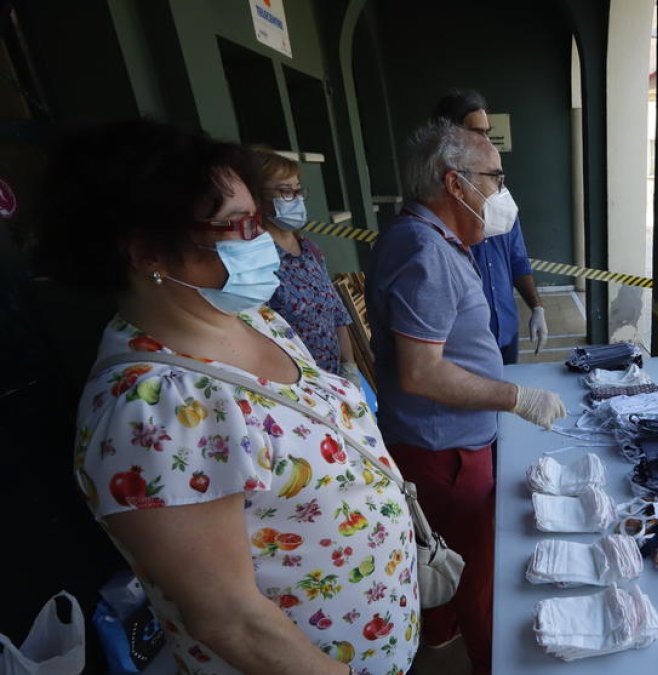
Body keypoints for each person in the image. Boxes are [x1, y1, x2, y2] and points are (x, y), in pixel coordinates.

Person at [38, 119, 418, 674]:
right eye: (233, 225)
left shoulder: (253, 317)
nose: (258, 240)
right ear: (147, 252)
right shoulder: (150, 410)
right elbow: (228, 617)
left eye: (256, 219)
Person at [365, 119, 566, 674]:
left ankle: (441, 639)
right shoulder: (423, 251)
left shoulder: (434, 241)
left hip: (447, 443)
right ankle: (486, 662)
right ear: (457, 184)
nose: (503, 191)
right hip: (443, 452)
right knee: (479, 576)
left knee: (448, 563)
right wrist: (515, 397)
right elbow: (423, 374)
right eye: (495, 177)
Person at [432, 89, 548, 364]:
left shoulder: (499, 200)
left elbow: (517, 259)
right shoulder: (435, 216)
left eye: (487, 132)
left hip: (505, 332)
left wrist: (537, 307)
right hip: (463, 349)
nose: (487, 142)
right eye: (476, 133)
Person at [249, 146, 358, 379]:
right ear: (258, 198)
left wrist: (349, 366)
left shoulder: (310, 250)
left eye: (298, 190)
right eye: (285, 191)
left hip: (336, 379)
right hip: (298, 387)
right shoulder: (258, 260)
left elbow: (337, 312)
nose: (295, 199)